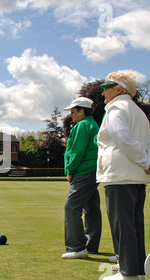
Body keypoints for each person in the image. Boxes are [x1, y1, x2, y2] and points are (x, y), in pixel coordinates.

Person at [97, 71, 150, 280]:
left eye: (108, 86)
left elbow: (122, 138)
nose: (103, 91)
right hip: (136, 176)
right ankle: (135, 267)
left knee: (122, 224)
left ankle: (128, 273)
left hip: (120, 174)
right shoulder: (139, 112)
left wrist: (145, 162)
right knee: (134, 223)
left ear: (119, 89)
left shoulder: (116, 108)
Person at [62, 97, 102, 259]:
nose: (71, 115)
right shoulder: (93, 125)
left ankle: (77, 247)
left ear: (82, 111)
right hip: (93, 170)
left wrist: (70, 170)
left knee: (71, 207)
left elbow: (76, 151)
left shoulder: (82, 125)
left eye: (73, 111)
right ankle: (90, 244)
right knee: (91, 207)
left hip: (83, 170)